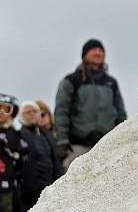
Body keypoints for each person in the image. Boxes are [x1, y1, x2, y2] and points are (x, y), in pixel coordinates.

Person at [54, 39, 127, 171]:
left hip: (107, 146)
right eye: (93, 49)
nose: (98, 52)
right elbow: (61, 111)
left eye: (101, 50)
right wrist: (62, 138)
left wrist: (123, 136)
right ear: (84, 55)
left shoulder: (111, 83)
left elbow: (120, 113)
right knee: (75, 186)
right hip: (78, 145)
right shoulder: (72, 80)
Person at [17, 102, 62, 209]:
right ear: (21, 116)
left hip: (50, 188)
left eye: (35, 111)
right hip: (28, 192)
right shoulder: (17, 136)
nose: (32, 114)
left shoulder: (48, 135)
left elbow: (56, 161)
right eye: (28, 112)